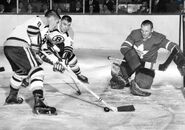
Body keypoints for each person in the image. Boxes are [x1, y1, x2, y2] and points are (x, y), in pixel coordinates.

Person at [3, 10, 63, 115]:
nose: (57, 25)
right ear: (52, 18)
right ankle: (39, 104)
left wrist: (55, 62)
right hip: (19, 45)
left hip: (9, 46)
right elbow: (32, 29)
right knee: (37, 70)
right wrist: (36, 47)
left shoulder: (44, 31)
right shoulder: (41, 20)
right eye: (57, 22)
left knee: (21, 72)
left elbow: (42, 52)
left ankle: (12, 97)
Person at [110, 20, 185, 96]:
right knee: (116, 83)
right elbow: (124, 47)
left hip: (146, 65)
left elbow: (173, 46)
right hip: (132, 61)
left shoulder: (158, 38)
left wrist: (181, 60)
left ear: (152, 30)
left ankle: (134, 80)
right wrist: (134, 54)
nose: (143, 33)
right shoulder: (135, 34)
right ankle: (120, 70)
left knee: (143, 85)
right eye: (142, 30)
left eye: (146, 31)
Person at [40, 15, 88, 83]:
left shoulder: (70, 32)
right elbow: (42, 37)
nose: (66, 27)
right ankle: (28, 76)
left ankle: (79, 74)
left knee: (71, 57)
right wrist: (55, 61)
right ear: (60, 22)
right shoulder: (53, 26)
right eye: (64, 24)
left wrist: (63, 59)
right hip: (45, 46)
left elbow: (68, 47)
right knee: (38, 58)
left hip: (58, 47)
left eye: (68, 25)